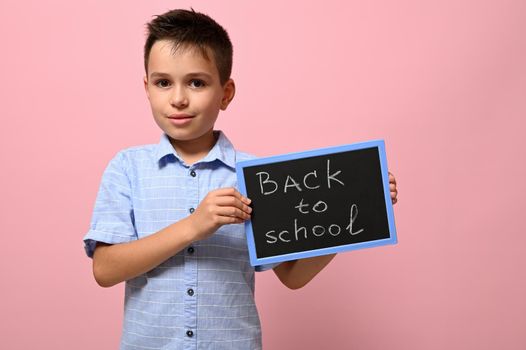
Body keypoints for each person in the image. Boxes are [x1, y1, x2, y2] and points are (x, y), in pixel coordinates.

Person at [83, 8, 398, 349]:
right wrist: (194, 225)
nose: (178, 98)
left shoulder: (257, 178)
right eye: (163, 82)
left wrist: (351, 214)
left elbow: (292, 276)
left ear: (226, 93)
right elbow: (105, 269)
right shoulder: (127, 168)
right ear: (147, 88)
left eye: (197, 82)